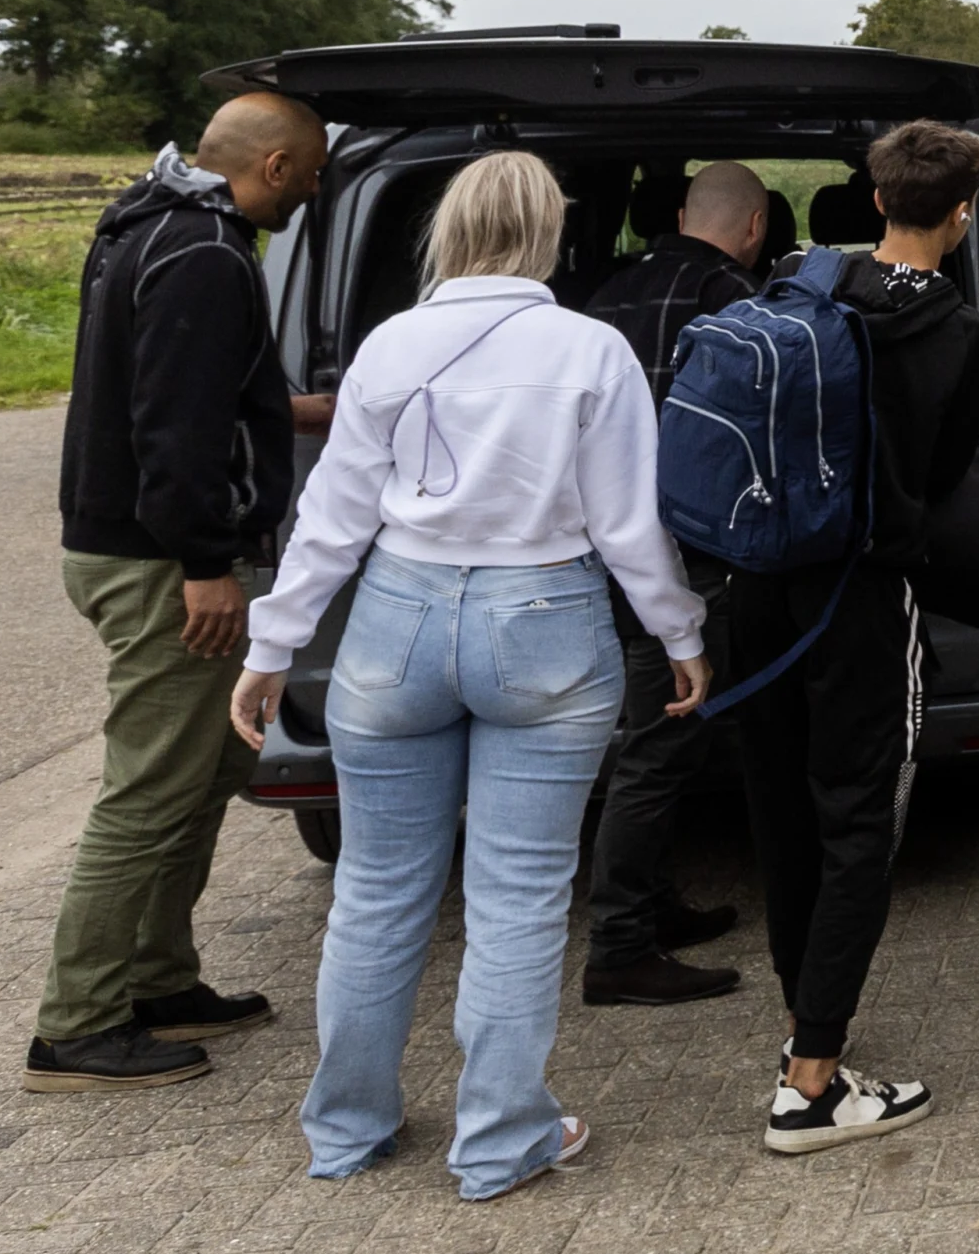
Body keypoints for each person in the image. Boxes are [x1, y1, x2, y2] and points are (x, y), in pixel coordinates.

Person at [228, 150, 714, 1198]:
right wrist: (680, 631)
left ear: (448, 227)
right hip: (544, 618)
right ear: (547, 229)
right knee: (520, 896)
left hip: (396, 620)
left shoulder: (389, 345)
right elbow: (630, 523)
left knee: (374, 889)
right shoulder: (594, 349)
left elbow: (334, 515)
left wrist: (273, 646)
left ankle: (346, 1129)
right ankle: (501, 1139)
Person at [29, 90, 332, 1094]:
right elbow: (172, 427)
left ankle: (158, 978)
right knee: (150, 790)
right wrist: (205, 560)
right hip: (162, 563)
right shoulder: (205, 254)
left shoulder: (144, 223)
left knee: (201, 776)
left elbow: (162, 387)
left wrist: (283, 407)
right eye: (317, 169)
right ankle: (74, 1025)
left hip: (127, 544)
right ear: (276, 166)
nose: (318, 188)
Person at [718, 120, 979, 1153]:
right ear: (961, 214)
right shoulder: (960, 332)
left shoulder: (799, 282)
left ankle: (803, 1023)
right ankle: (814, 1083)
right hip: (860, 596)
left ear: (876, 200)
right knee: (859, 821)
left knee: (782, 812)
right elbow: (943, 472)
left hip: (757, 587)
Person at [572, 159, 770, 1007]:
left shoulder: (604, 294)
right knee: (657, 748)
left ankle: (654, 902)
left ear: (684, 211)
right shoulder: (738, 301)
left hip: (597, 547)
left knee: (652, 731)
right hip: (682, 550)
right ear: (757, 227)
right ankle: (619, 943)